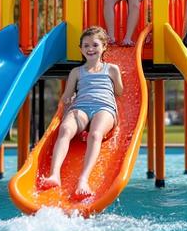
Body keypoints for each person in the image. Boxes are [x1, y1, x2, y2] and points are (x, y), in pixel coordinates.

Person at [40, 26, 124, 198]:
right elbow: (67, 95)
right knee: (65, 130)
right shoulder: (76, 72)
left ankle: (83, 179)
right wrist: (67, 101)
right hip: (81, 108)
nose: (90, 49)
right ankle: (54, 174)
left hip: (104, 108)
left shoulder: (112, 69)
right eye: (86, 46)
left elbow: (119, 92)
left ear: (104, 47)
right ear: (81, 49)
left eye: (94, 45)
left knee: (95, 134)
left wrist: (118, 80)